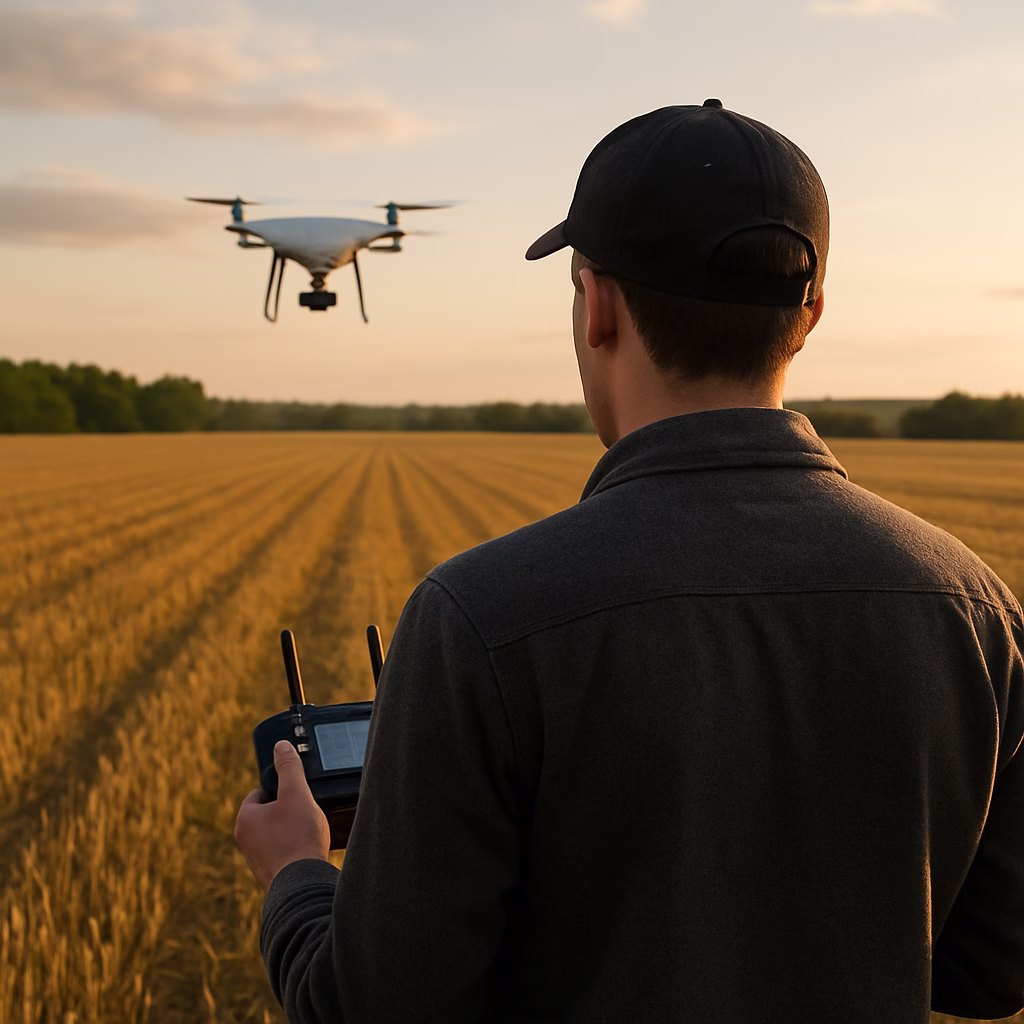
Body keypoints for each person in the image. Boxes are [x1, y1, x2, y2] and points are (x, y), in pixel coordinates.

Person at [235, 100, 1024, 1022]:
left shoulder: (480, 618)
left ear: (597, 303)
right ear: (808, 314)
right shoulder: (973, 608)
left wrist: (295, 875)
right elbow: (996, 965)